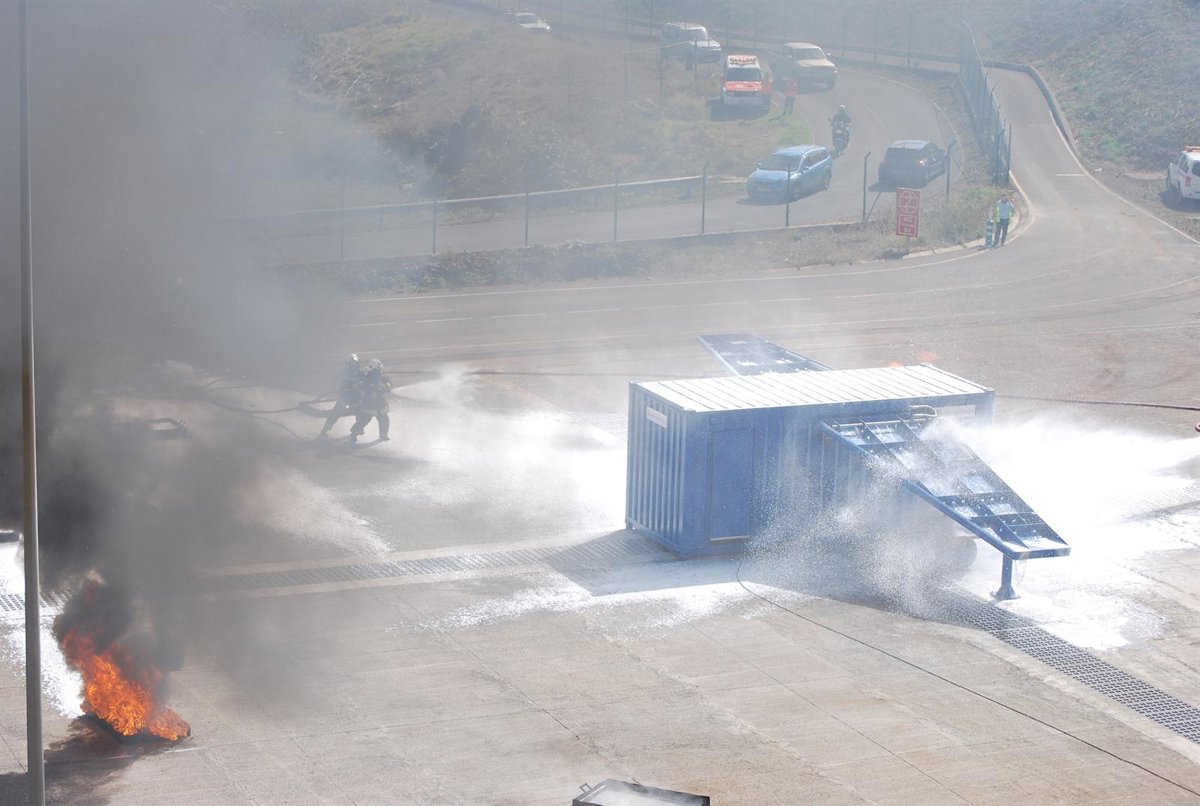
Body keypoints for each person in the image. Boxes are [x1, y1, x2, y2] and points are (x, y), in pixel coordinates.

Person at [318, 354, 364, 438]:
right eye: (352, 363)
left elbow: (364, 382)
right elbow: (338, 383)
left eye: (355, 363)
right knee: (336, 412)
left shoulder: (360, 372)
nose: (354, 365)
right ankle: (325, 429)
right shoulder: (344, 372)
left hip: (355, 396)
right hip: (345, 396)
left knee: (360, 412)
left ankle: (358, 429)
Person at [349, 358, 393, 443]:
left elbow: (389, 383)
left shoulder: (382, 376)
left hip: (380, 402)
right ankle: (354, 433)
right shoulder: (367, 377)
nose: (380, 369)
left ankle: (383, 434)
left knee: (384, 418)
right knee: (364, 419)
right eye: (378, 367)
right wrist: (373, 390)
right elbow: (364, 386)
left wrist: (386, 387)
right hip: (369, 402)